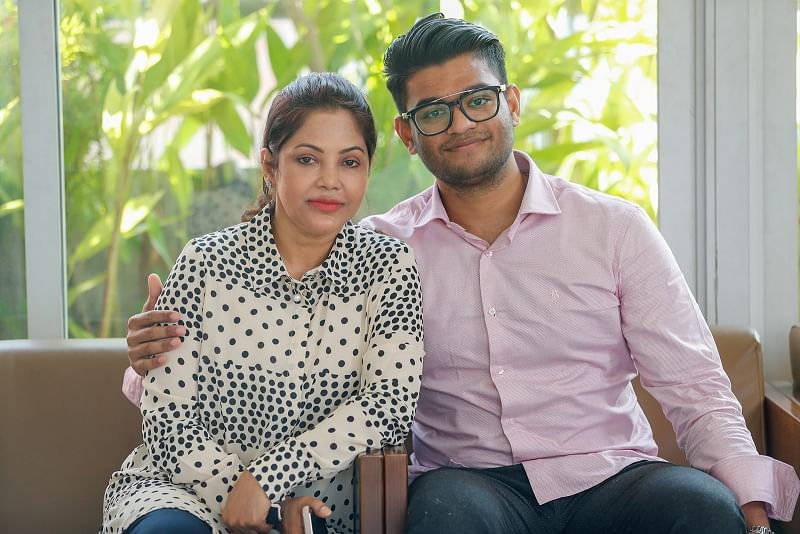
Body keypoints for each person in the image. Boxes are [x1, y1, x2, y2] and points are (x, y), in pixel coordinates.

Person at [124, 13, 800, 534]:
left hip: (610, 472)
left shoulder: (614, 228)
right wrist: (148, 356)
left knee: (700, 510)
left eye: (477, 100)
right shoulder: (379, 251)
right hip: (466, 482)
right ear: (409, 134)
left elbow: (695, 388)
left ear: (510, 101)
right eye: (433, 112)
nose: (461, 124)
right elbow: (268, 328)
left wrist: (751, 504)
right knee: (446, 515)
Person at [103, 72, 424, 534]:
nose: (331, 180)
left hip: (319, 511)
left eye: (350, 162)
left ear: (368, 168)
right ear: (270, 167)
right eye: (308, 159)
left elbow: (389, 403)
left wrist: (268, 482)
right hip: (184, 492)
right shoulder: (204, 262)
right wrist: (249, 498)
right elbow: (168, 421)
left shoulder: (389, 267)